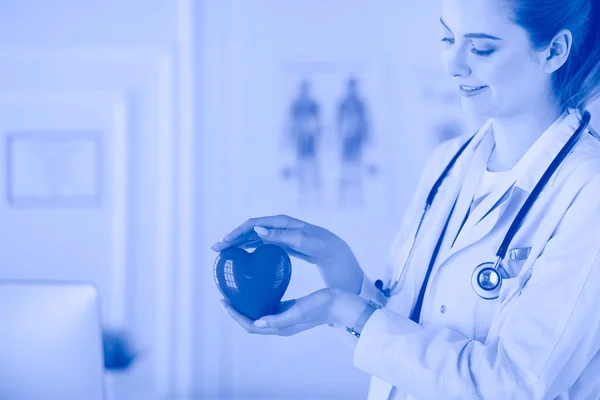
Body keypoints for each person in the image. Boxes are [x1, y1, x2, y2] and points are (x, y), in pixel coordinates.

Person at [211, 0, 600, 398]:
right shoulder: (447, 164)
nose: (454, 65)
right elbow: (400, 341)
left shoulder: (589, 189)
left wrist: (340, 309)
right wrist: (335, 260)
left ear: (554, 51)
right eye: (448, 39)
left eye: (481, 49)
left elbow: (512, 386)